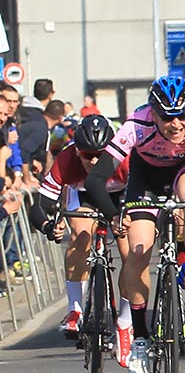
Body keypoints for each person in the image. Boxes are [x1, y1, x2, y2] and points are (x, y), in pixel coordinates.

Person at [97, 76, 185, 373]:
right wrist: (112, 214)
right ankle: (141, 337)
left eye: (182, 116)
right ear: (153, 114)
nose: (176, 125)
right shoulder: (136, 124)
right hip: (145, 179)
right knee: (138, 251)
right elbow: (97, 177)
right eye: (167, 118)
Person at [31, 117, 130, 344]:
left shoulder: (124, 158)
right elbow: (38, 206)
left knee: (128, 248)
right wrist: (48, 226)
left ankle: (127, 319)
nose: (94, 160)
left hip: (119, 196)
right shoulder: (66, 160)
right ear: (77, 151)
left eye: (100, 155)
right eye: (87, 155)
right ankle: (75, 309)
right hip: (83, 196)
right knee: (80, 232)